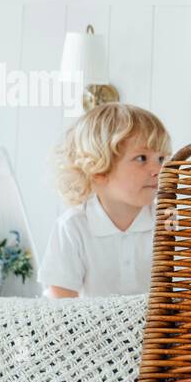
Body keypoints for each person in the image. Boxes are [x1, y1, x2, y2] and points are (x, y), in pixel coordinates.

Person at [39, 102, 171, 299]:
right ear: (99, 170)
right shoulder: (73, 227)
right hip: (91, 328)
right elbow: (62, 302)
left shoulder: (168, 221)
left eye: (160, 159)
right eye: (142, 158)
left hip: (156, 328)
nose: (157, 170)